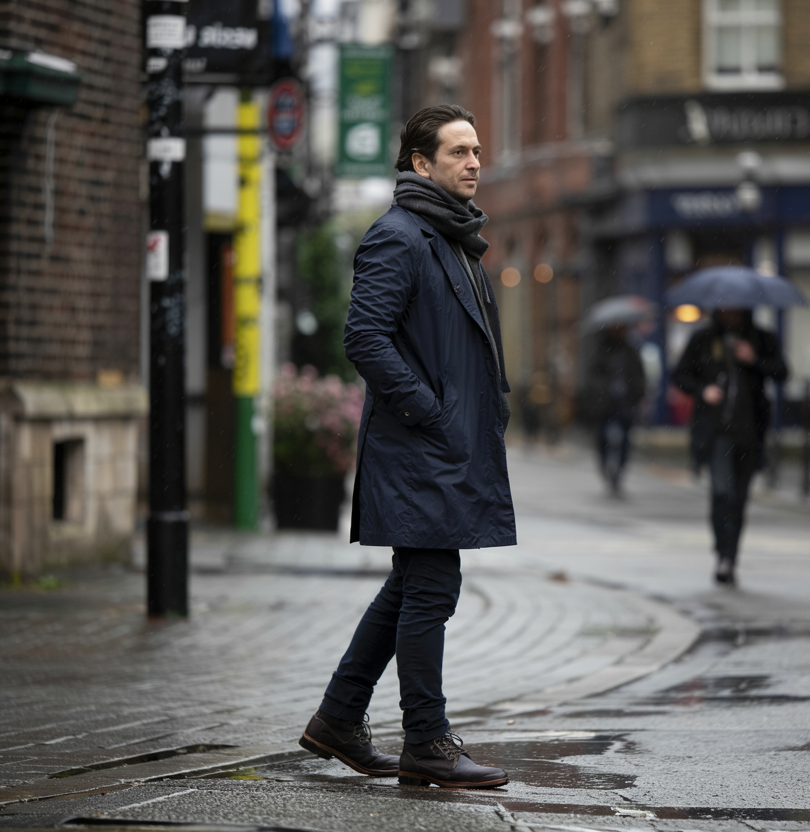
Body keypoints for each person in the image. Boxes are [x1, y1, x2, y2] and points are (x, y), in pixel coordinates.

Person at [298, 105, 512, 789]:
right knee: (431, 586)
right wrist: (431, 411)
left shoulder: (448, 237)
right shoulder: (401, 236)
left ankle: (338, 717)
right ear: (421, 163)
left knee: (411, 586)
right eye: (457, 152)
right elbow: (364, 336)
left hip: (441, 447)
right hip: (420, 446)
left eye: (477, 150)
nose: (473, 162)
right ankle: (426, 738)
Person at [672, 308, 788, 585]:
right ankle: (723, 553)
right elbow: (680, 375)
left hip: (750, 433)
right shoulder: (703, 339)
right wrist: (703, 391)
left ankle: (730, 556)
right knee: (722, 493)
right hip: (716, 433)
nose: (731, 313)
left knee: (739, 499)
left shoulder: (762, 339)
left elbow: (782, 372)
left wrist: (754, 359)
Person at [584, 325, 647, 494]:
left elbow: (639, 376)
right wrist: (601, 392)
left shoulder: (631, 351)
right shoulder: (601, 350)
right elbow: (593, 376)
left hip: (625, 404)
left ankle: (618, 472)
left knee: (625, 440)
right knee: (604, 438)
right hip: (605, 404)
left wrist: (637, 394)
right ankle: (607, 467)